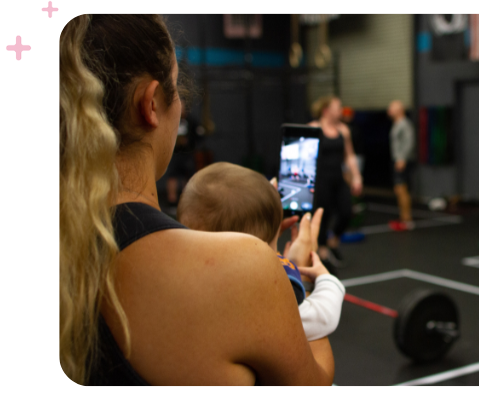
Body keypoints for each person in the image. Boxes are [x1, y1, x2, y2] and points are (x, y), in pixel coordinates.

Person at [60, 15, 333, 385]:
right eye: (176, 89)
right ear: (151, 103)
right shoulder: (248, 268)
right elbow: (315, 384)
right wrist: (295, 275)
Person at [177, 162, 346, 341]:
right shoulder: (263, 298)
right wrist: (327, 280)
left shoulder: (185, 284)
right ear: (258, 248)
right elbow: (323, 317)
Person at [308, 96, 363, 269]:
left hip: (338, 178)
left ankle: (333, 241)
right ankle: (323, 252)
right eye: (337, 107)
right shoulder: (314, 128)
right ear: (326, 110)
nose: (341, 111)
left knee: (347, 212)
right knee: (322, 217)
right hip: (320, 180)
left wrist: (357, 177)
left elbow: (350, 156)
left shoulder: (343, 130)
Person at [387, 100, 416, 231]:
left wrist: (402, 159)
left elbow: (409, 142)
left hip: (402, 160)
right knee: (399, 189)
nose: (389, 110)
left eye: (392, 108)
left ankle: (407, 219)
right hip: (397, 159)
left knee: (402, 188)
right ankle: (403, 218)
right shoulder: (397, 124)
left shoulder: (404, 124)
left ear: (400, 110)